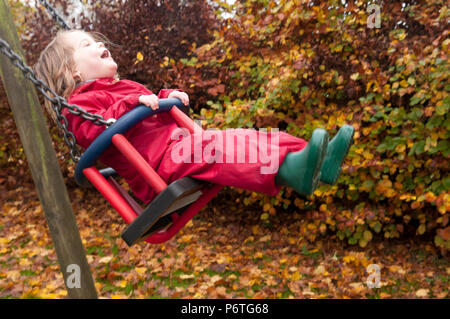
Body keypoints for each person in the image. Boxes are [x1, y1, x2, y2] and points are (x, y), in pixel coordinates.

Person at [34, 30, 354, 204]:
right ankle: (291, 171)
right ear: (72, 71)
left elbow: (151, 107)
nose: (100, 42)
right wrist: (137, 102)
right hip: (158, 168)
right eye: (87, 44)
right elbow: (89, 130)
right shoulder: (78, 104)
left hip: (177, 147)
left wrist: (167, 96)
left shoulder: (123, 87)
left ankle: (314, 158)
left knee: (245, 136)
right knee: (221, 145)